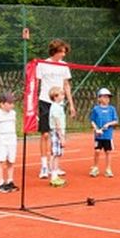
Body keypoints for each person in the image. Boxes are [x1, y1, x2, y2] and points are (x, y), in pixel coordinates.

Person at [36, 40, 75, 180]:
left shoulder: (64, 66)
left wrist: (71, 104)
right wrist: (33, 105)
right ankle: (44, 166)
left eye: (65, 52)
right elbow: (36, 83)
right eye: (61, 51)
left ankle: (55, 166)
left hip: (59, 104)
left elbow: (66, 85)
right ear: (54, 51)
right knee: (45, 135)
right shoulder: (42, 64)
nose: (63, 54)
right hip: (45, 102)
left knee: (58, 135)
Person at [0, 94, 19, 193]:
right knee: (0, 160)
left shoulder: (13, 114)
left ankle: (10, 180)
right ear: (2, 104)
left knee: (11, 161)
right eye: (9, 103)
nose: (12, 105)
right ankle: (0, 182)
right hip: (2, 139)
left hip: (12, 139)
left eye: (12, 103)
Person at [89, 88, 119, 178]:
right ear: (99, 98)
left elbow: (116, 121)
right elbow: (92, 120)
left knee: (108, 152)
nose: (107, 99)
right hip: (98, 136)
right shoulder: (96, 109)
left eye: (108, 97)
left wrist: (109, 124)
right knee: (97, 151)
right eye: (104, 97)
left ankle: (108, 169)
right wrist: (96, 129)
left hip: (108, 135)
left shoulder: (112, 109)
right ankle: (95, 167)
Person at [46, 86, 69, 187]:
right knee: (55, 154)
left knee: (57, 154)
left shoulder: (59, 106)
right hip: (56, 132)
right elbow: (57, 123)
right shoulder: (55, 107)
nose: (63, 96)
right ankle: (53, 176)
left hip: (58, 132)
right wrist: (61, 137)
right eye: (61, 94)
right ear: (55, 97)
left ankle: (54, 175)